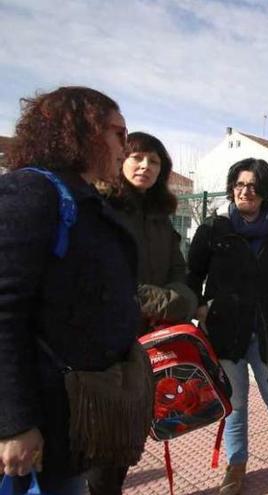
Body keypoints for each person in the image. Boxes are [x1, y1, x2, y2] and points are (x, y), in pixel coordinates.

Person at [0, 87, 152, 494]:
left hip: (67, 424)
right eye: (119, 133)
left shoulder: (83, 198)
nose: (125, 145)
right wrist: (14, 423)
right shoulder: (32, 193)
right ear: (81, 131)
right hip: (36, 425)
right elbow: (5, 313)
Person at [186, 158, 268, 495]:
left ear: (265, 192)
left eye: (253, 186)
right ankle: (236, 465)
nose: (246, 191)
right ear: (232, 187)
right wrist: (199, 306)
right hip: (226, 333)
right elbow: (191, 276)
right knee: (235, 404)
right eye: (240, 184)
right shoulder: (214, 229)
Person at [84, 131, 198, 494]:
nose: (146, 166)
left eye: (154, 161)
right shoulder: (102, 207)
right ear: (120, 161)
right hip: (104, 345)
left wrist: (181, 300)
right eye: (137, 158)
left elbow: (179, 273)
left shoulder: (160, 216)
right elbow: (108, 280)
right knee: (104, 444)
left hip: (147, 345)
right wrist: (171, 302)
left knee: (128, 437)